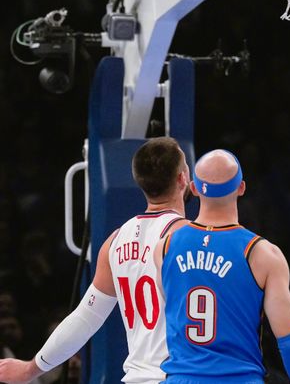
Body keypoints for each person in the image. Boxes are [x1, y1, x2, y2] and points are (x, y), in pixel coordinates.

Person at [0, 137, 190, 384]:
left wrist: (30, 369)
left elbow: (85, 318)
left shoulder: (115, 241)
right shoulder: (191, 237)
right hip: (179, 376)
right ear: (183, 179)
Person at [154, 149, 290, 383]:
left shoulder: (165, 247)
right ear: (241, 187)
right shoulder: (262, 253)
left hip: (181, 377)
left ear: (194, 188)